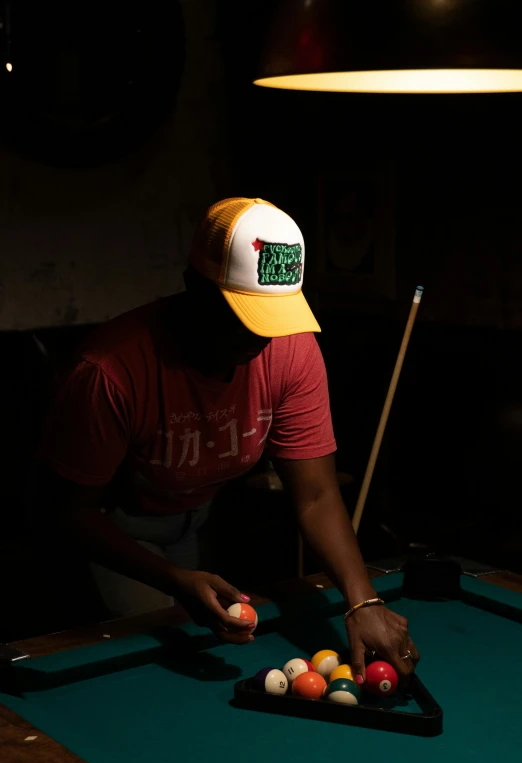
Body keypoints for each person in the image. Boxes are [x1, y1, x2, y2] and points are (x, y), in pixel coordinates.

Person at [35, 196, 419, 686]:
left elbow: (318, 494)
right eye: (244, 316)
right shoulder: (109, 371)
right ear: (194, 286)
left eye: (274, 319)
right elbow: (67, 511)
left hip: (195, 525)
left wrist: (363, 600)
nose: (261, 340)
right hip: (115, 531)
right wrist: (173, 581)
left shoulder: (291, 349)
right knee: (154, 676)